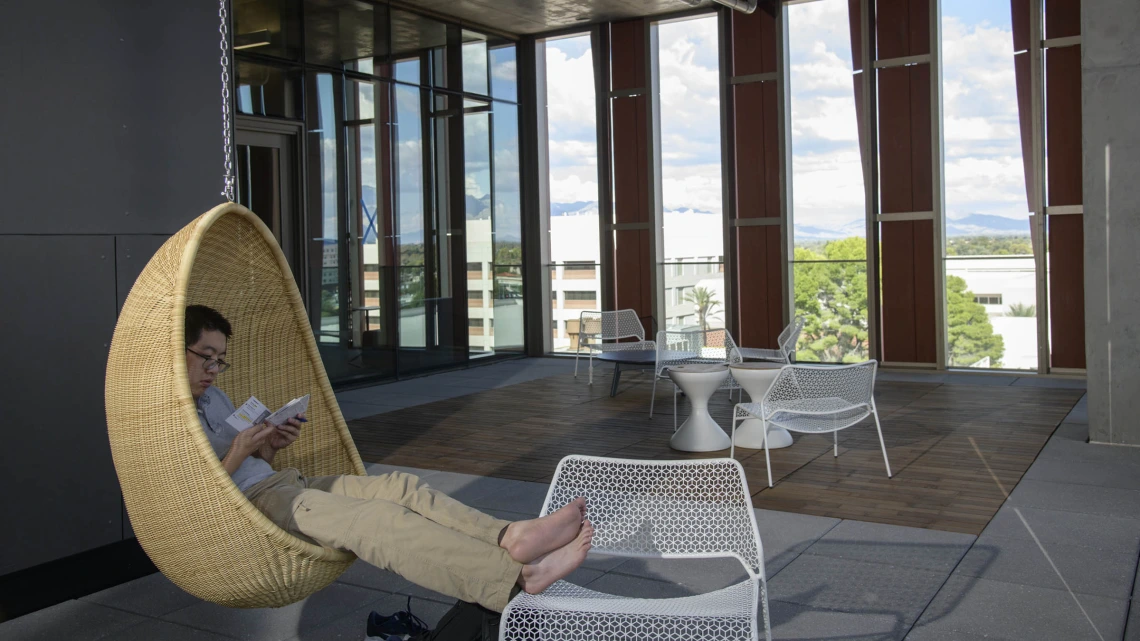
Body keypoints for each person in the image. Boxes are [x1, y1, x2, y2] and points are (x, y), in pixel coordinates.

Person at [185, 304, 593, 615]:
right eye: (206, 356)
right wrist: (240, 451)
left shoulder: (215, 398)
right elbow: (198, 502)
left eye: (220, 359)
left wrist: (270, 445)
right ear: (176, 349)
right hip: (260, 504)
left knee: (399, 487)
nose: (214, 369)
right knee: (378, 521)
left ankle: (509, 537)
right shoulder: (168, 422)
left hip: (288, 482)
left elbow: (258, 462)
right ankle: (519, 579)